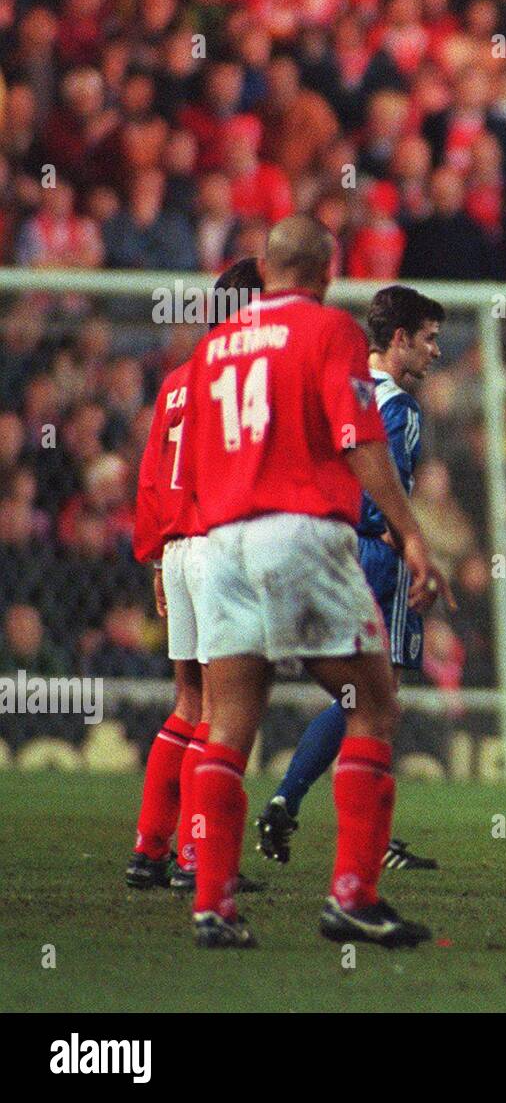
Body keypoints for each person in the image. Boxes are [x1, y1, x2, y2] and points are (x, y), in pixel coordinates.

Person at [178, 215, 435, 948]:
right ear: (328, 271)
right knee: (374, 701)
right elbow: (360, 438)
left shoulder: (214, 346)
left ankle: (213, 906)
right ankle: (352, 895)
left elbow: (197, 456)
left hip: (221, 539)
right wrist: (412, 533)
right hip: (299, 532)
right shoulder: (330, 332)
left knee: (228, 724)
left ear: (265, 269)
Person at [256, 284, 453, 871]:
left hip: (321, 549)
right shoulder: (398, 407)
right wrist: (406, 541)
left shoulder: (338, 388)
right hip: (377, 557)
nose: (435, 352)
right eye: (429, 339)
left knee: (357, 696)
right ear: (400, 339)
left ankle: (289, 802)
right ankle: (359, 833)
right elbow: (377, 496)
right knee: (377, 699)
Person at [125, 258, 264, 891]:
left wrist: (158, 558)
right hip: (218, 546)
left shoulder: (179, 379)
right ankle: (196, 857)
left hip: (178, 548)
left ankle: (149, 848)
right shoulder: (239, 375)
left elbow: (152, 476)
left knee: (188, 701)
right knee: (223, 708)